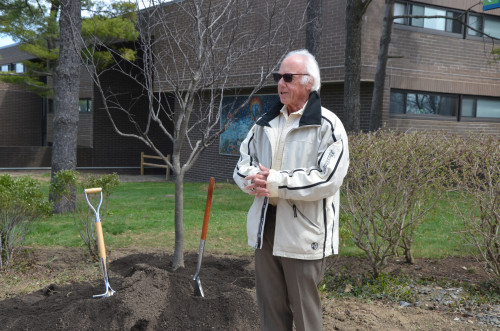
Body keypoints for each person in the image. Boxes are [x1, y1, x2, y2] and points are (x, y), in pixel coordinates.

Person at [233, 49, 349, 331]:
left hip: (303, 233)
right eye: (278, 77)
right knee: (270, 312)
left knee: (305, 315)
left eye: (287, 77)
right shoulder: (264, 124)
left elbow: (327, 179)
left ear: (309, 83)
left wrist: (274, 182)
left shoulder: (329, 126)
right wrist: (254, 180)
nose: (280, 83)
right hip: (266, 228)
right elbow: (241, 165)